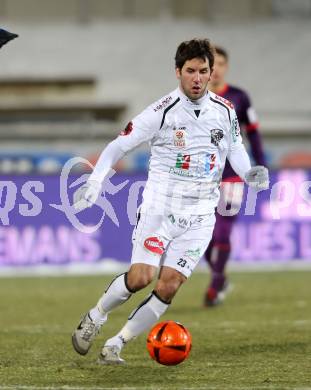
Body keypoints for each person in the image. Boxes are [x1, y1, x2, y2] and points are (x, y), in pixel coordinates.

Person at [71, 39, 269, 364]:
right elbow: (117, 146)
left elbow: (235, 148)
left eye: (203, 71)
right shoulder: (161, 112)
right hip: (160, 209)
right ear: (178, 72)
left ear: (210, 73)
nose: (197, 77)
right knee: (140, 278)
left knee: (169, 286)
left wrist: (249, 173)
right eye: (190, 70)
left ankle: (117, 344)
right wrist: (95, 181)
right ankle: (96, 316)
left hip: (202, 215)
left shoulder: (225, 111)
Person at [203, 46, 266, 307]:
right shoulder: (196, 98)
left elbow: (253, 132)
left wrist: (260, 164)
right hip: (202, 177)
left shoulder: (240, 97)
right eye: (211, 64)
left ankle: (216, 283)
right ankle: (221, 277)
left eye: (220, 64)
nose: (215, 69)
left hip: (232, 175)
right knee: (202, 234)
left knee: (223, 233)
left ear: (226, 67)